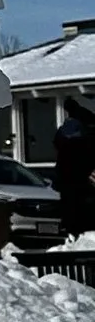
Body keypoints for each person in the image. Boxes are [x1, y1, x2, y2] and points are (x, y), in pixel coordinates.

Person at [57, 96, 95, 239]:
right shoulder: (85, 125)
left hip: (71, 178)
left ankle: (74, 232)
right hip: (79, 178)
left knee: (72, 208)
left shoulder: (68, 130)